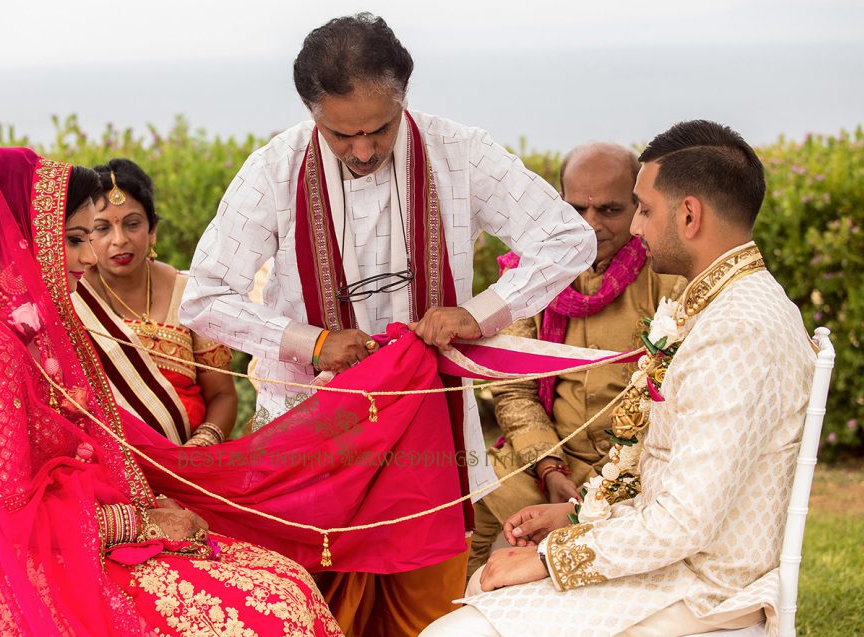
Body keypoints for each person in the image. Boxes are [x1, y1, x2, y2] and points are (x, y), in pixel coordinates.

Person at [180, 13, 594, 635]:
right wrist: (310, 342)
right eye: (341, 136)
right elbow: (205, 296)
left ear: (405, 96)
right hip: (312, 431)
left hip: (428, 436)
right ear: (310, 111)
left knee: (428, 615)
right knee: (308, 608)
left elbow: (568, 239)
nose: (365, 151)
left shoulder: (462, 152)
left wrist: (476, 314)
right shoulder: (273, 169)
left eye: (380, 129)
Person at [0, 148, 340, 636]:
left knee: (286, 579)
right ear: (22, 239)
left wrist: (148, 506)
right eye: (74, 239)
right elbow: (9, 512)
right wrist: (138, 522)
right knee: (275, 609)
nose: (92, 256)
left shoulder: (23, 324)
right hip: (47, 573)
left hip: (86, 539)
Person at [421, 120, 816, 636]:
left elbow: (683, 522)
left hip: (702, 585)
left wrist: (549, 559)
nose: (634, 228)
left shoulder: (738, 330)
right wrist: (574, 515)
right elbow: (676, 487)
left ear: (690, 215)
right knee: (479, 589)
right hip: (666, 554)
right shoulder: (721, 306)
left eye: (644, 210)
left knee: (452, 633)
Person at [469, 143, 684, 576]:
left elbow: (673, 405)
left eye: (609, 210)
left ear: (638, 208)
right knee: (467, 504)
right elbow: (513, 386)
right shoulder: (530, 275)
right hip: (541, 463)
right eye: (576, 209)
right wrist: (549, 468)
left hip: (631, 477)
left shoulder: (668, 280)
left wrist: (602, 487)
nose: (590, 226)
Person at [73, 158, 236, 446]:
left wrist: (198, 449)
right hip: (105, 468)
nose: (119, 240)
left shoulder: (192, 295)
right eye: (102, 229)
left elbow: (222, 394)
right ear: (86, 235)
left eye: (132, 224)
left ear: (152, 230)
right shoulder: (73, 299)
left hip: (189, 466)